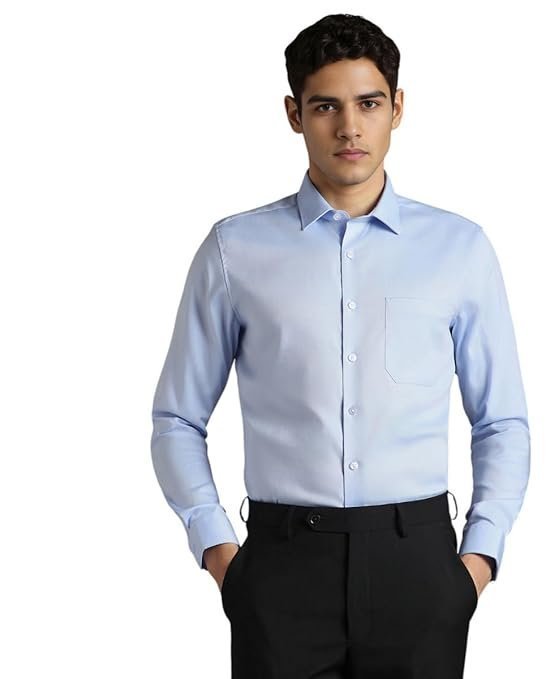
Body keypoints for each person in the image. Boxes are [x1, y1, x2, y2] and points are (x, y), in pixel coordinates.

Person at [150, 12, 530, 679]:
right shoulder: (234, 250)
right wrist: (220, 553)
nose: (349, 127)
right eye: (326, 106)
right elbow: (177, 418)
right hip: (281, 570)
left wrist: (477, 561)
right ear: (294, 114)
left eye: (368, 104)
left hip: (419, 568)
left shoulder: (459, 249)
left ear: (397, 108)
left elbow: (500, 420)